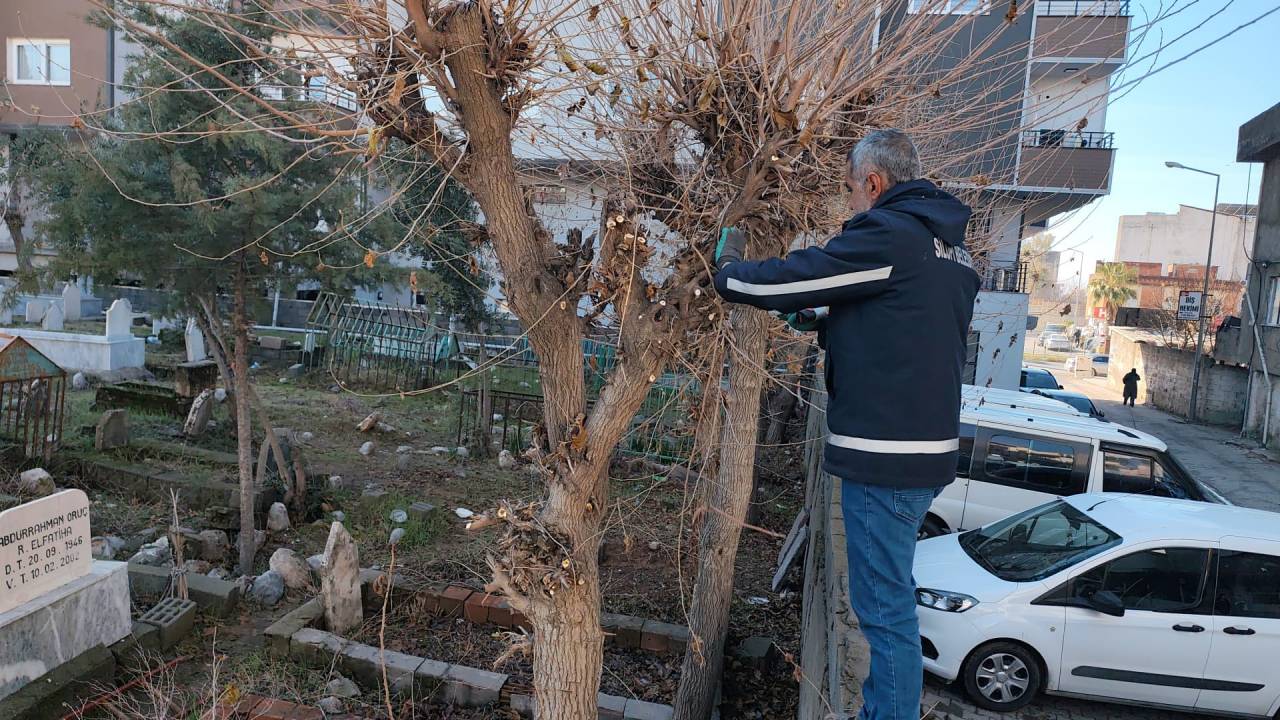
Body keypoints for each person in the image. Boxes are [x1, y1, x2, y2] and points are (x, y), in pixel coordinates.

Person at [712, 129, 978, 720]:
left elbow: (796, 275)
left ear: (874, 183)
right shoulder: (950, 250)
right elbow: (906, 329)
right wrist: (827, 321)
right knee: (891, 601)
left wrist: (729, 271)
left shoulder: (891, 233)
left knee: (883, 611)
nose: (850, 203)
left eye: (851, 190)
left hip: (885, 456)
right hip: (924, 450)